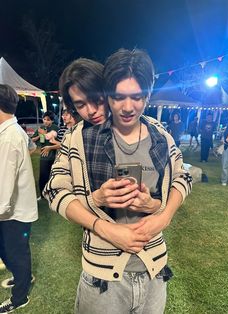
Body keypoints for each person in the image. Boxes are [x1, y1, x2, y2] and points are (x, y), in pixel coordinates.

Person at [44, 49, 192, 314]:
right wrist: (100, 214)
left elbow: (182, 176)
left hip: (154, 269)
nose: (126, 106)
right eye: (80, 104)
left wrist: (162, 212)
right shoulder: (80, 138)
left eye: (136, 96)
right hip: (103, 276)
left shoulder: (160, 136)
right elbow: (54, 190)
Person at [0, 84, 38, 313]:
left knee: (15, 251)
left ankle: (19, 297)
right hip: (12, 208)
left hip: (12, 210)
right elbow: (31, 147)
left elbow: (4, 182)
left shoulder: (8, 137)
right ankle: (22, 277)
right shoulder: (13, 132)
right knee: (11, 250)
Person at [32, 111, 59, 199]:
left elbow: (58, 142)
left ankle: (52, 194)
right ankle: (43, 195)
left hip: (54, 157)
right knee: (43, 176)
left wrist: (44, 134)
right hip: (44, 156)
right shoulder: (41, 128)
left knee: (53, 176)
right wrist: (39, 136)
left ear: (52, 121)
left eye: (48, 120)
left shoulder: (55, 128)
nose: (46, 121)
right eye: (44, 119)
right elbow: (32, 139)